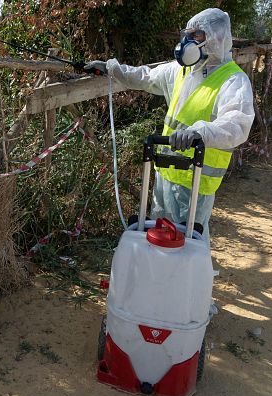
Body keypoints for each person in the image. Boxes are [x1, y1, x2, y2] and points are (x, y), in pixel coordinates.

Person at [85, 8, 254, 241]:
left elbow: (237, 123)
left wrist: (199, 132)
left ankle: (189, 278)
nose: (188, 42)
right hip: (165, 175)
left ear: (216, 37)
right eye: (188, 34)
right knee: (158, 238)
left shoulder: (233, 80)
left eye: (196, 35)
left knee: (187, 245)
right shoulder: (182, 71)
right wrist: (112, 69)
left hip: (195, 183)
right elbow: (145, 77)